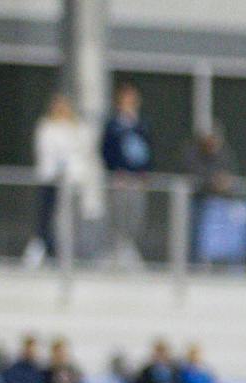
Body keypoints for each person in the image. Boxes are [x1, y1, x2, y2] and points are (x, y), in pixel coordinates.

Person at [31, 92, 98, 267]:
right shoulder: (46, 127)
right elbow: (46, 151)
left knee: (73, 218)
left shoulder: (78, 128)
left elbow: (85, 152)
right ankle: (47, 249)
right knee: (48, 215)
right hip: (51, 179)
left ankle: (72, 251)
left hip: (74, 181)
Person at [101, 83, 154, 267]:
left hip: (137, 177)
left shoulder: (142, 124)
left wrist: (145, 172)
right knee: (118, 213)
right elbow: (106, 151)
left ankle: (129, 247)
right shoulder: (113, 125)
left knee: (135, 214)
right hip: (120, 178)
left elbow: (149, 150)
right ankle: (115, 249)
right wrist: (115, 170)